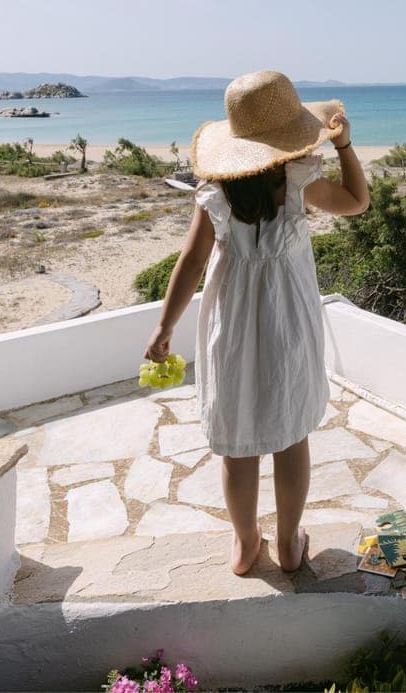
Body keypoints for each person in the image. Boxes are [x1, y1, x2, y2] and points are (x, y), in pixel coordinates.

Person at [144, 70, 370, 576]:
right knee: (290, 438)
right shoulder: (297, 183)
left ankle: (246, 545)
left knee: (237, 444)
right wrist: (346, 147)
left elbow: (191, 262)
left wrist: (164, 326)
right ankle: (289, 543)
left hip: (232, 325)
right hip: (288, 320)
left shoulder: (215, 193)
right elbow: (358, 202)